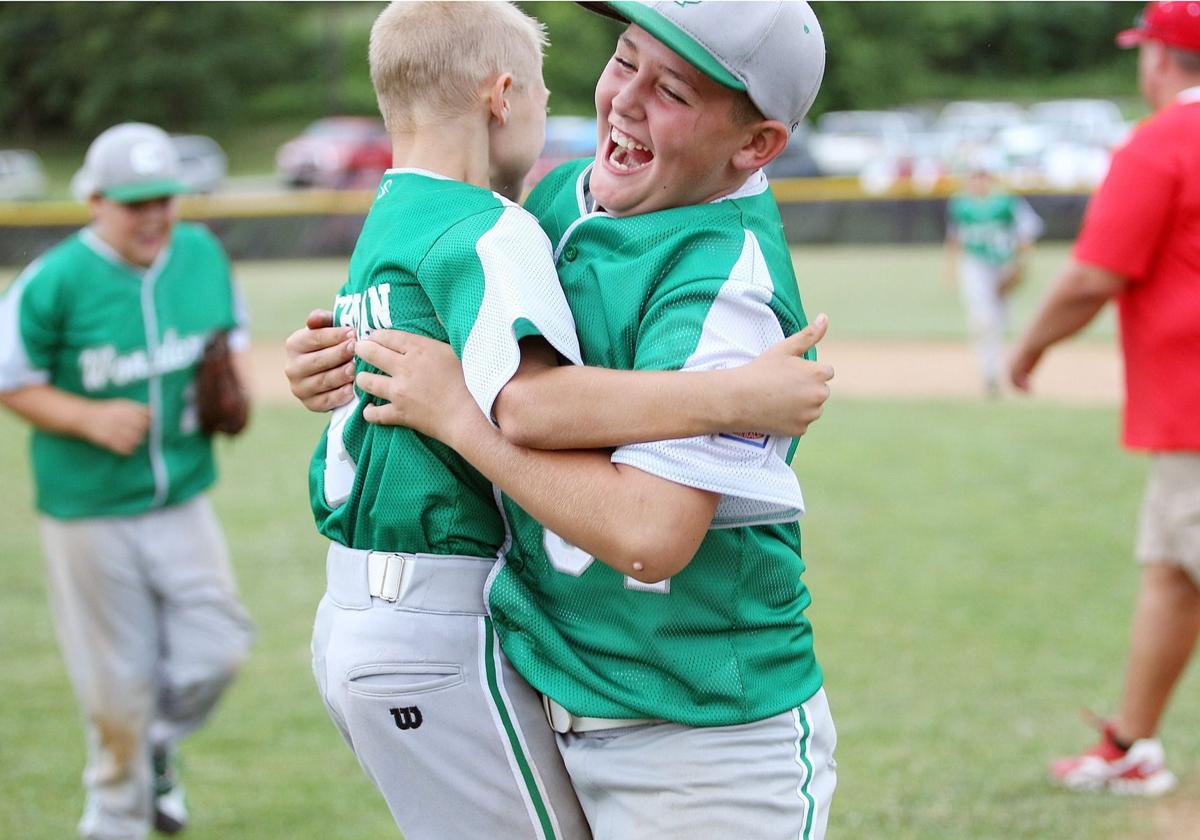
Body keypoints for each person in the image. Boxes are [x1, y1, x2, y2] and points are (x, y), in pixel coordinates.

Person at [301, 3, 833, 839]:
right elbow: (432, 309)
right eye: (625, 61)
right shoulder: (551, 201)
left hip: (700, 736)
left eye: (673, 92)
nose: (624, 100)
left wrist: (460, 418)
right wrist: (338, 356)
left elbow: (647, 534)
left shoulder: (726, 291)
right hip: (549, 692)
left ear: (755, 145)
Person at [0, 122, 253, 839]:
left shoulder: (200, 255)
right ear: (94, 200)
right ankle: (115, 817)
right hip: (88, 511)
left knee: (218, 648)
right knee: (115, 682)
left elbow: (226, 349)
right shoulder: (55, 280)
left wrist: (224, 392)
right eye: (134, 202)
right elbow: (10, 376)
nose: (153, 217)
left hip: (182, 496)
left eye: (164, 200)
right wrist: (83, 416)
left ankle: (155, 745)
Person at [1010, 1, 1200, 796]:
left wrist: (1028, 347)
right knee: (1170, 573)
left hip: (1195, 410)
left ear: (1158, 59)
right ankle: (1132, 743)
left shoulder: (1161, 143)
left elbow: (1093, 275)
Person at [944, 156, 1043, 396]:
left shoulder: (1006, 201)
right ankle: (989, 373)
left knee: (1000, 320)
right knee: (982, 319)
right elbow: (955, 237)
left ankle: (999, 367)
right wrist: (950, 269)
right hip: (975, 265)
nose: (978, 180)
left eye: (982, 175)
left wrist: (1020, 264)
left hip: (1003, 265)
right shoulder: (960, 203)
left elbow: (1028, 230)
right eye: (974, 176)